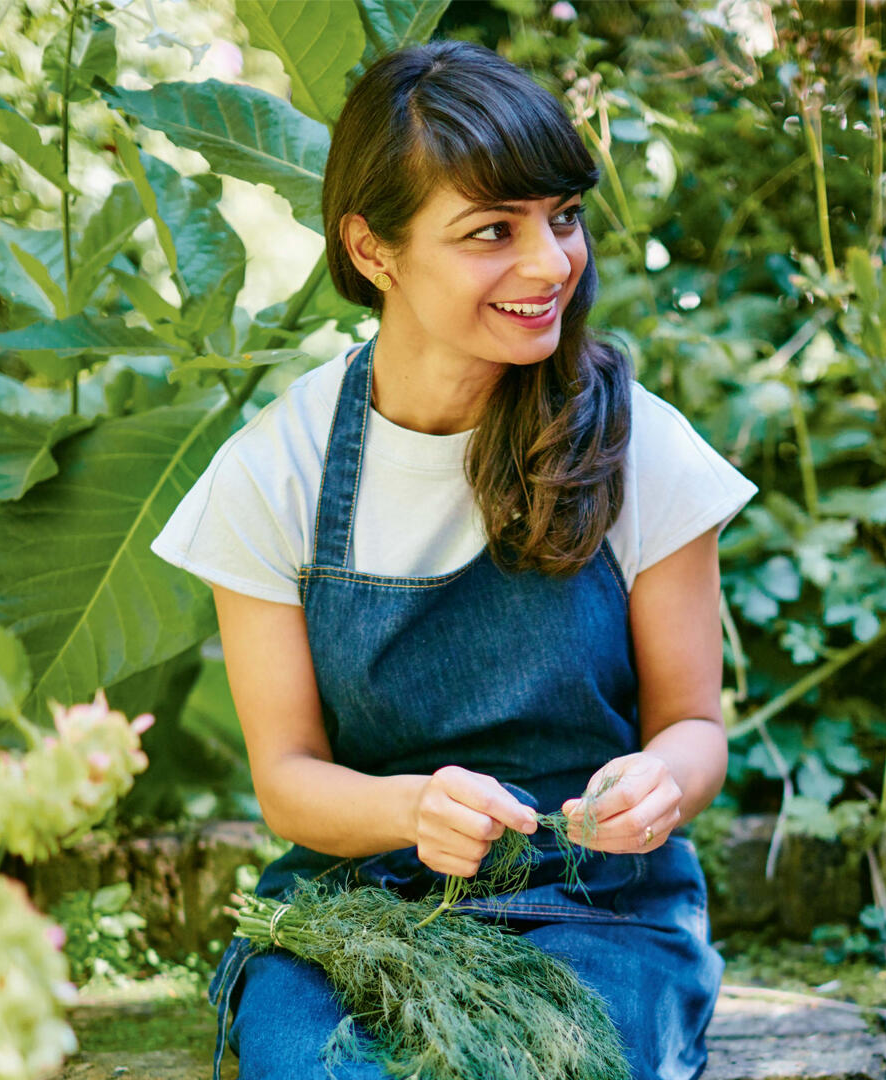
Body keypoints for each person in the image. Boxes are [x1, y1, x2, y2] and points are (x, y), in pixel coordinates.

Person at [151, 38, 756, 1080]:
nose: (550, 263)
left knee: (556, 1065)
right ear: (374, 250)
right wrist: (407, 809)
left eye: (562, 219)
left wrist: (662, 780)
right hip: (358, 911)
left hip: (599, 907)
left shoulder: (638, 446)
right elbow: (288, 781)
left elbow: (695, 726)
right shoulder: (277, 470)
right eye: (492, 232)